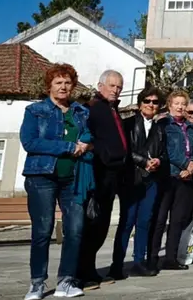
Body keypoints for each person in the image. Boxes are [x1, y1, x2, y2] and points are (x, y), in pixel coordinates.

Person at [19, 63, 91, 300]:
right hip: (42, 177)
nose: (63, 86)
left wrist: (86, 143)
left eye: (67, 82)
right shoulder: (35, 110)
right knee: (42, 230)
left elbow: (89, 136)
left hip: (74, 178)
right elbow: (30, 142)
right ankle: (37, 283)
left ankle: (66, 281)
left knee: (75, 230)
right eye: (58, 82)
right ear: (49, 85)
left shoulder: (81, 112)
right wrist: (69, 147)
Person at [110, 87, 167, 279]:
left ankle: (139, 262)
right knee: (126, 223)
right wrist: (143, 162)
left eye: (155, 102)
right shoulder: (127, 124)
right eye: (147, 101)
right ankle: (117, 264)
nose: (151, 105)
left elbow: (164, 153)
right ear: (140, 103)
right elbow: (124, 150)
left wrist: (159, 160)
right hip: (131, 180)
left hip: (151, 181)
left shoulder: (160, 129)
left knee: (144, 222)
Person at [77, 70, 126, 289]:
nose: (116, 90)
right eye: (112, 86)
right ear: (100, 86)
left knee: (102, 225)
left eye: (119, 87)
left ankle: (91, 269)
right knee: (92, 224)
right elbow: (89, 138)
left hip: (113, 174)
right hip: (99, 173)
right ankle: (82, 273)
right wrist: (103, 155)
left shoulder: (111, 109)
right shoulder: (93, 109)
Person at [150, 90, 193, 271]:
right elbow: (168, 151)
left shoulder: (191, 127)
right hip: (169, 176)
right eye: (176, 103)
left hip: (186, 179)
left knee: (178, 219)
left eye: (183, 103)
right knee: (160, 219)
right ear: (170, 105)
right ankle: (153, 257)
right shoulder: (164, 124)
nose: (180, 107)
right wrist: (186, 165)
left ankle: (170, 258)